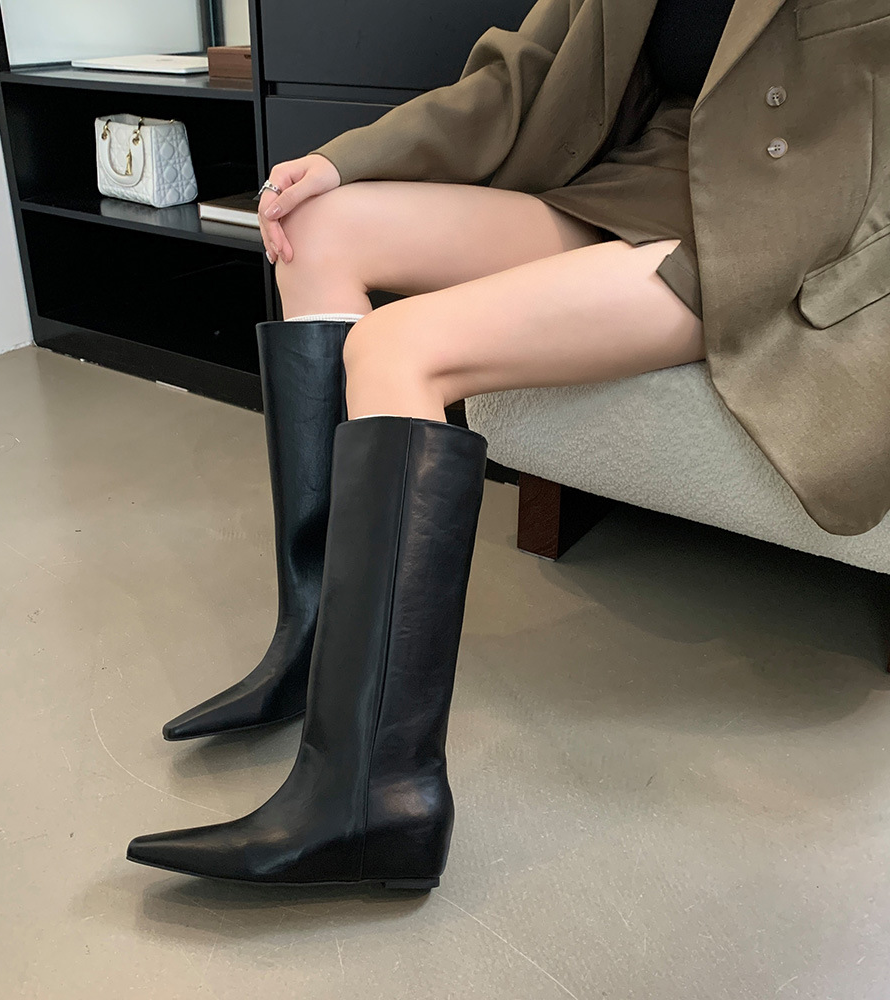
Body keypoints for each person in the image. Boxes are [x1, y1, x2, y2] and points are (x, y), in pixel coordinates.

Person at [127, 0, 890, 887]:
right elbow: (524, 73)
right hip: (638, 183)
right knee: (315, 231)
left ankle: (376, 798)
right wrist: (340, 161)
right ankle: (317, 637)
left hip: (782, 232)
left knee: (396, 344)